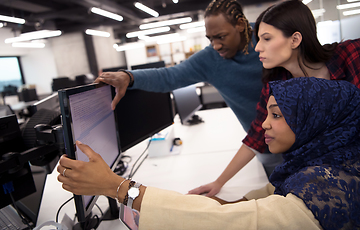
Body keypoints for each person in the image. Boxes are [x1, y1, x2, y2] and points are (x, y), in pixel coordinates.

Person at [57, 77, 360, 229]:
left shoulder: (328, 191)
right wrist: (231, 201)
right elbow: (270, 193)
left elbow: (231, 224)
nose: (264, 124)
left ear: (314, 119)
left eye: (277, 115)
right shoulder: (323, 160)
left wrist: (117, 187)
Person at [96, 0, 283, 181]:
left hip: (300, 136)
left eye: (221, 37)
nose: (216, 45)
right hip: (263, 144)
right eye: (210, 39)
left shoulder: (267, 40)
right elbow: (170, 76)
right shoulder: (210, 59)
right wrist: (129, 77)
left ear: (241, 25)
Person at [189, 0, 360, 197]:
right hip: (325, 182)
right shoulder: (277, 85)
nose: (257, 47)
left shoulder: (351, 55)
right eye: (258, 39)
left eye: (267, 39)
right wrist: (219, 182)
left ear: (295, 40)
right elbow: (256, 137)